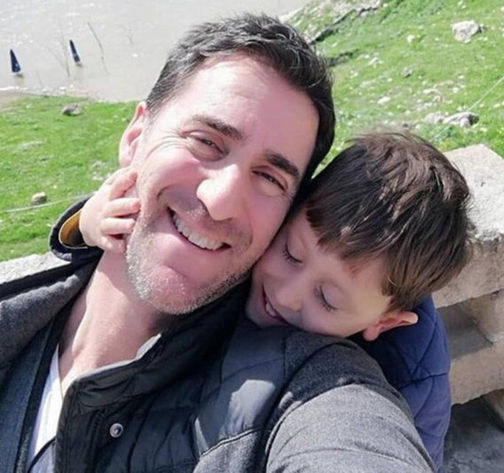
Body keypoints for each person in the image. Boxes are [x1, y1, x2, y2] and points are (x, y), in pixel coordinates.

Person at [0, 15, 436, 473]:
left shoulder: (307, 387)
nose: (220, 200)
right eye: (206, 142)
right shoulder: (21, 318)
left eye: (269, 177)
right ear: (135, 137)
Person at [64, 132, 469, 471]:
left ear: (386, 321)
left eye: (327, 298)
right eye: (291, 253)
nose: (285, 294)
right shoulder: (245, 257)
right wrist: (87, 222)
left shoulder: (406, 386)